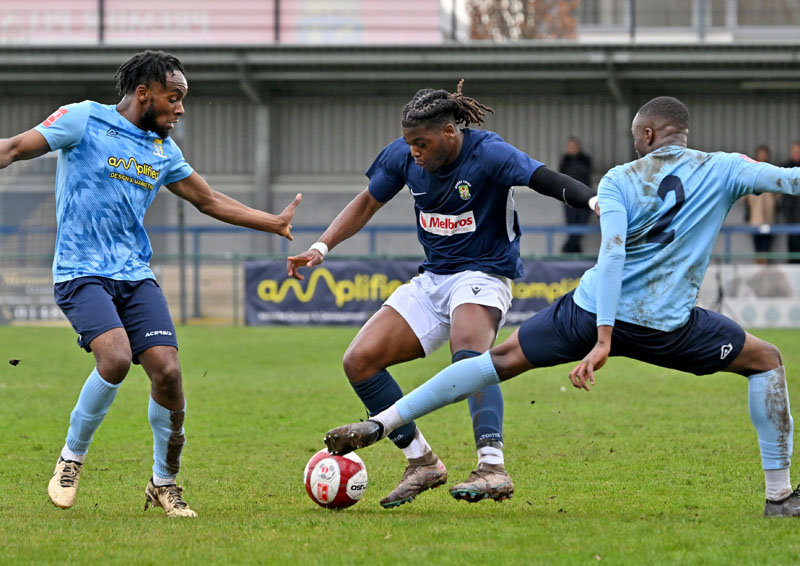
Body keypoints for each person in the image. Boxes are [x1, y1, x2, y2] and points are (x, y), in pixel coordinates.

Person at [325, 96, 800, 518]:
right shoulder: (725, 167)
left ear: (647, 135)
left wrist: (604, 336)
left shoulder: (618, 180)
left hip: (587, 314)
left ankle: (383, 423)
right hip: (669, 325)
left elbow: (612, 255)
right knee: (766, 360)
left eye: (635, 137)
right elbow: (790, 180)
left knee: (495, 362)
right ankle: (779, 497)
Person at [0, 50, 302, 517]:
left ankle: (164, 483)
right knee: (116, 358)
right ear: (144, 93)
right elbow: (13, 148)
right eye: (173, 97)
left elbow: (208, 199)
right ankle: (71, 458)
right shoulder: (83, 119)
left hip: (135, 274)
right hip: (80, 271)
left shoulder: (164, 151)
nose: (180, 108)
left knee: (168, 372)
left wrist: (273, 222)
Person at [287, 80, 596, 508]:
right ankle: (421, 462)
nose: (414, 151)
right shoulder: (403, 156)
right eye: (409, 143)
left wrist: (594, 201)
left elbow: (544, 178)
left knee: (469, 356)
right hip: (433, 278)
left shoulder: (489, 153)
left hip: (484, 273)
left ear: (449, 132)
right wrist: (321, 247)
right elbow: (367, 202)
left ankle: (492, 466)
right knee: (359, 361)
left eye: (422, 143)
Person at [743, 145, 778, 264]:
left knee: (767, 245)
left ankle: (765, 264)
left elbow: (778, 192)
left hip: (769, 216)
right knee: (758, 245)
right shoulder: (751, 170)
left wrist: (773, 201)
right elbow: (743, 191)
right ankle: (759, 264)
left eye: (764, 154)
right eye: (760, 154)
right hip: (755, 216)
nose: (762, 156)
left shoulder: (773, 170)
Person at [559, 136, 593, 254]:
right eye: (569, 147)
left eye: (573, 146)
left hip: (584, 197)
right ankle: (574, 249)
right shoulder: (565, 159)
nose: (571, 149)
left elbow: (584, 172)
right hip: (569, 197)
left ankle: (569, 248)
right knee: (571, 223)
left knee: (582, 223)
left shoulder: (585, 159)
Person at [781, 142, 800, 263]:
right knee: (792, 243)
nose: (796, 154)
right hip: (791, 215)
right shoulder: (785, 168)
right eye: (794, 152)